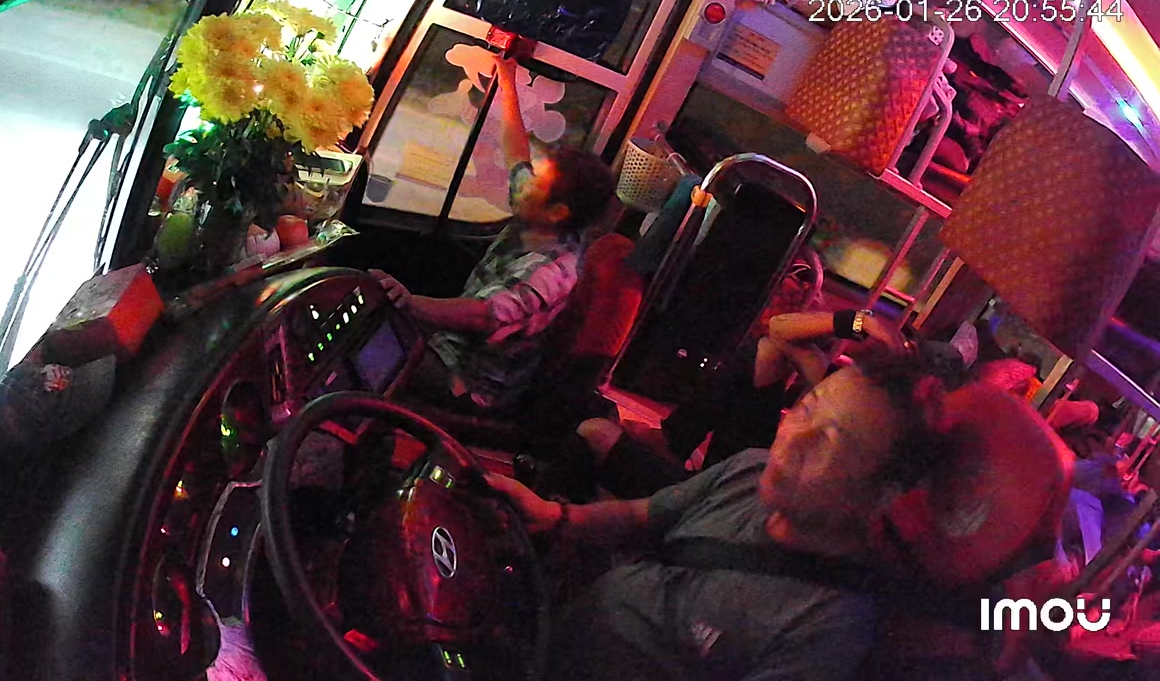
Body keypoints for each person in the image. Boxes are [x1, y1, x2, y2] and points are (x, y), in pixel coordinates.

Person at [487, 358, 952, 680]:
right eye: (805, 410)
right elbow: (642, 514)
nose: (791, 440)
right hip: (545, 634)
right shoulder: (750, 469)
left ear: (882, 494)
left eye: (830, 442)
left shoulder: (828, 626)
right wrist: (557, 516)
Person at [370, 56, 615, 411]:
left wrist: (408, 302)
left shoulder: (551, 272)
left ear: (558, 212)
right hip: (449, 345)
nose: (524, 183)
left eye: (536, 184)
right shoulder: (539, 212)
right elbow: (516, 152)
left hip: (468, 383)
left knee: (366, 352)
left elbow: (484, 314)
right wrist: (507, 77)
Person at [580, 309, 914, 499]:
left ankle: (675, 446)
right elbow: (778, 329)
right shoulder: (844, 380)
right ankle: (675, 440)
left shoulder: (874, 421)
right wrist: (859, 321)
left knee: (594, 432)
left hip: (744, 498)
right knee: (766, 351)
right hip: (741, 472)